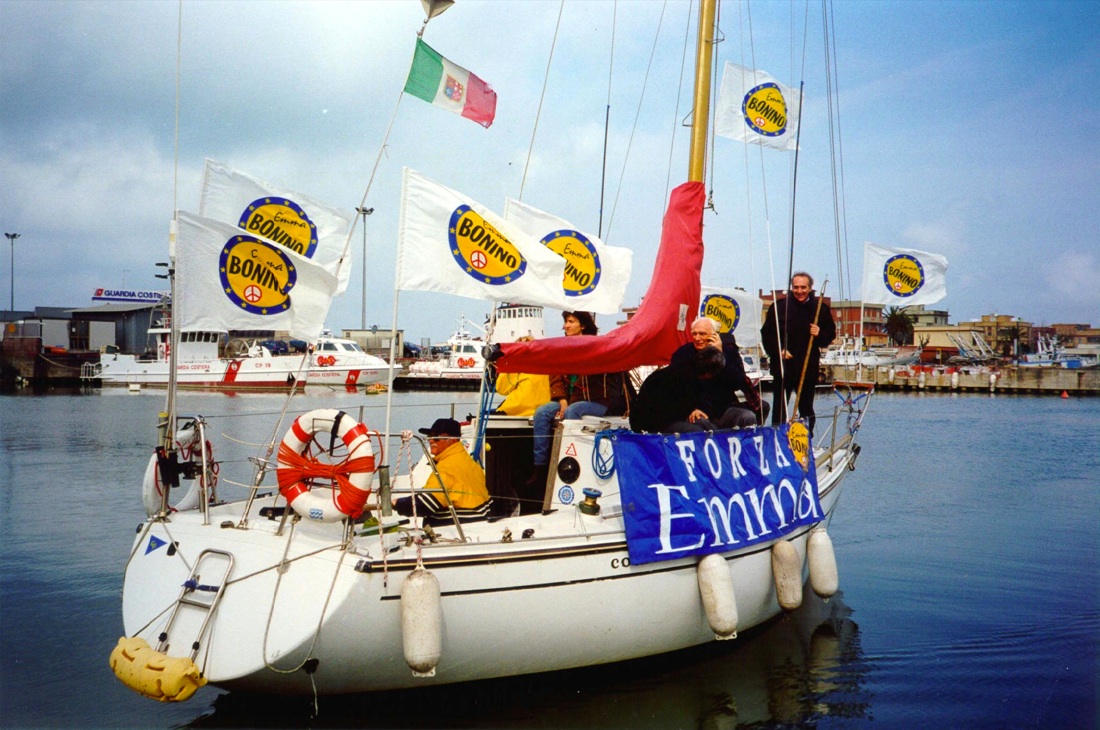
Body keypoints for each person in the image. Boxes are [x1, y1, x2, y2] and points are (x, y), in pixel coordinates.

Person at [528, 311, 631, 488]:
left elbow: (617, 375)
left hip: (599, 402)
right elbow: (555, 376)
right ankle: (540, 467)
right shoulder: (561, 349)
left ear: (582, 325)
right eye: (565, 322)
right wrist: (561, 399)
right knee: (542, 412)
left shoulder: (598, 347)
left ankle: (568, 462)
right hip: (569, 400)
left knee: (573, 411)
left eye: (570, 321)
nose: (566, 326)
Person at [760, 272, 836, 435]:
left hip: (807, 367)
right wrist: (778, 350)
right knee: (780, 408)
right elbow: (767, 334)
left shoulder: (820, 309)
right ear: (791, 287)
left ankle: (805, 439)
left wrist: (819, 333)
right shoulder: (779, 307)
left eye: (803, 287)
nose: (799, 291)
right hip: (783, 366)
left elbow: (829, 337)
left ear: (810, 288)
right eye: (796, 287)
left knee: (806, 408)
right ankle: (778, 439)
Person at [631, 346, 757, 433]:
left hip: (692, 413)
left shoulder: (695, 370)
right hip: (655, 422)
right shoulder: (680, 374)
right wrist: (690, 410)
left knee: (743, 417)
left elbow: (736, 382)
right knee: (702, 430)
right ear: (709, 373)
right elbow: (669, 406)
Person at [670, 316, 767, 425]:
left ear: (715, 335)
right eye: (694, 334)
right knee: (701, 423)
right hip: (696, 409)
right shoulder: (683, 354)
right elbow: (676, 388)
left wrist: (720, 354)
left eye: (702, 334)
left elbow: (737, 382)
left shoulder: (729, 352)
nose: (697, 338)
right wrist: (690, 409)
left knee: (748, 417)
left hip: (723, 409)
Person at [394, 417, 491, 524]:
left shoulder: (447, 466)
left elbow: (425, 505)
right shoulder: (468, 461)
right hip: (479, 521)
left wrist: (397, 503)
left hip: (457, 526)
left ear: (452, 439)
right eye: (429, 436)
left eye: (436, 438)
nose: (431, 441)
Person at [493, 336, 551, 417]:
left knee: (484, 414)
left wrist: (511, 358)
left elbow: (502, 390)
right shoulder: (548, 363)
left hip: (516, 410)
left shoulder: (519, 365)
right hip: (541, 410)